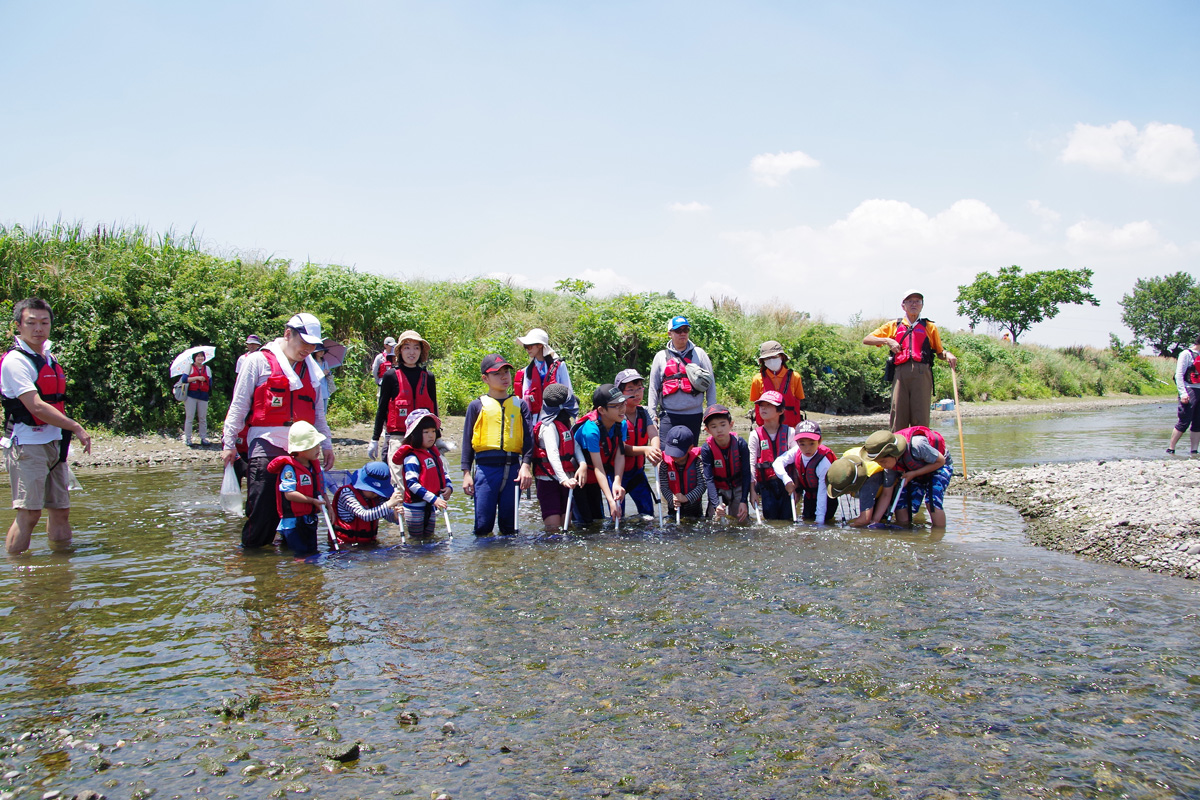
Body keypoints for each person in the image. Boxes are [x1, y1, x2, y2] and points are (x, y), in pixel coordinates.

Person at [221, 313, 335, 550]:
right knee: (263, 509)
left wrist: (326, 445)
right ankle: (254, 559)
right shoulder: (258, 362)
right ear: (287, 334)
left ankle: (298, 564)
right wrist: (228, 443)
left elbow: (318, 412)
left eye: (312, 344)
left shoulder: (311, 370)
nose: (308, 349)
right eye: (303, 342)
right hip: (266, 440)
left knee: (304, 509)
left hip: (303, 446)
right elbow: (239, 404)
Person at [1, 297, 93, 555]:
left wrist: (66, 430)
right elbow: (36, 406)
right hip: (26, 445)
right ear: (18, 325)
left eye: (44, 322)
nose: (38, 328)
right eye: (31, 323)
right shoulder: (15, 361)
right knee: (29, 514)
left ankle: (61, 569)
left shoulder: (48, 356)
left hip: (54, 443)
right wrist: (76, 426)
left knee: (61, 510)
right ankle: (18, 574)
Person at [862, 291, 958, 431]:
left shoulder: (930, 327)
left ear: (922, 305)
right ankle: (898, 447)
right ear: (903, 305)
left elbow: (939, 352)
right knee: (898, 414)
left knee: (921, 415)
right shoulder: (894, 325)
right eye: (910, 301)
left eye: (917, 301)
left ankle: (919, 447)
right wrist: (887, 340)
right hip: (901, 373)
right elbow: (867, 339)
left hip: (922, 373)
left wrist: (947, 354)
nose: (914, 304)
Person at [460, 354, 533, 536]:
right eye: (497, 373)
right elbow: (467, 442)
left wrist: (525, 466)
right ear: (485, 378)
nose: (504, 377)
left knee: (509, 527)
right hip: (485, 470)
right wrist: (466, 473)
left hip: (513, 470)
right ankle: (485, 561)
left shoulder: (520, 405)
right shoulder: (476, 406)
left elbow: (529, 440)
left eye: (506, 372)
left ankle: (507, 561)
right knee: (483, 526)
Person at [863, 426, 953, 528]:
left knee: (932, 502)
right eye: (877, 462)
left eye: (883, 461)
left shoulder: (917, 445)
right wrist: (875, 521)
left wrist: (914, 474)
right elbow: (886, 494)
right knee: (900, 502)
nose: (881, 465)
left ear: (894, 454)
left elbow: (941, 461)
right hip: (913, 469)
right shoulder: (889, 466)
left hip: (938, 466)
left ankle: (938, 535)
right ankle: (905, 530)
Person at [370, 330, 437, 466]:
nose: (411, 352)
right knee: (399, 484)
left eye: (416, 348)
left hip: (423, 438)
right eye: (407, 348)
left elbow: (433, 408)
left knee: (426, 481)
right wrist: (375, 439)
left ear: (421, 352)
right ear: (400, 351)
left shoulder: (428, 377)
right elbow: (382, 409)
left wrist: (438, 438)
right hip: (398, 438)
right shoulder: (390, 376)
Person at [647, 316, 717, 440]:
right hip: (669, 415)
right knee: (666, 454)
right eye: (678, 331)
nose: (683, 334)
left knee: (690, 453)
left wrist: (711, 413)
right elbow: (653, 388)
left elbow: (710, 385)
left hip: (694, 415)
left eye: (686, 330)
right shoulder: (660, 356)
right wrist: (652, 417)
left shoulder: (699, 354)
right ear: (670, 333)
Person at [267, 420, 327, 556]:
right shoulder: (289, 469)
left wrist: (329, 508)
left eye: (318, 445)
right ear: (300, 450)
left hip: (309, 518)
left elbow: (321, 491)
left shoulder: (315, 468)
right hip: (293, 522)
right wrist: (312, 501)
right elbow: (289, 494)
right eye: (313, 446)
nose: (318, 449)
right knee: (299, 555)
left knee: (312, 553)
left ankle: (309, 575)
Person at [571, 384, 628, 525]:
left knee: (598, 520)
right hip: (579, 478)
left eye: (623, 403)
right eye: (616, 405)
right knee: (583, 524)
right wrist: (610, 499)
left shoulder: (622, 423)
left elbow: (620, 454)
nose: (622, 408)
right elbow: (598, 467)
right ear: (601, 410)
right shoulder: (591, 430)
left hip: (595, 479)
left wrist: (617, 482)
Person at [392, 409, 453, 538]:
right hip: (415, 505)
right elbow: (412, 484)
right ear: (415, 435)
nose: (431, 436)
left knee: (429, 537)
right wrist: (433, 498)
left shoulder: (433, 453)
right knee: (417, 541)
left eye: (433, 431)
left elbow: (442, 473)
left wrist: (448, 487)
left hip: (431, 504)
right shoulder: (412, 457)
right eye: (426, 432)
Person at [532, 384, 580, 532]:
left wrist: (582, 464)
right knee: (553, 527)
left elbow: (576, 447)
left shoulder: (565, 424)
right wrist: (563, 479)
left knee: (567, 524)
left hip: (567, 480)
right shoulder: (548, 427)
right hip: (549, 482)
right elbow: (552, 454)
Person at [616, 368, 661, 518]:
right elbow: (621, 448)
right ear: (620, 393)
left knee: (648, 512)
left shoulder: (644, 412)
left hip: (637, 473)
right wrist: (645, 450)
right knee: (617, 514)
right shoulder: (617, 415)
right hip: (618, 475)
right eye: (630, 389)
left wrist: (654, 450)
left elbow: (653, 434)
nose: (636, 393)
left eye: (639, 389)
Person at [773, 420, 836, 523]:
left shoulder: (823, 463)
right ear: (797, 443)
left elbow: (822, 493)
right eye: (802, 444)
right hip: (809, 497)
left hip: (826, 499)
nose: (807, 449)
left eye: (812, 444)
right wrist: (786, 480)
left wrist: (819, 521)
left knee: (824, 522)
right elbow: (777, 463)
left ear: (819, 442)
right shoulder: (796, 451)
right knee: (806, 521)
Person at [699, 405, 751, 522]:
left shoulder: (740, 444)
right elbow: (709, 479)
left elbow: (746, 473)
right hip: (718, 489)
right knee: (714, 521)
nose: (719, 430)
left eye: (723, 425)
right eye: (714, 426)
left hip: (737, 487)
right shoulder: (707, 449)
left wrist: (743, 500)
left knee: (741, 520)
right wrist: (716, 503)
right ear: (707, 430)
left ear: (731, 425)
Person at [331, 461, 402, 546]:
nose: (376, 494)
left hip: (368, 544)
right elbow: (365, 515)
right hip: (345, 546)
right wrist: (389, 503)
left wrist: (394, 516)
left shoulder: (376, 496)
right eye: (374, 491)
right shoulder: (347, 494)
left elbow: (385, 514)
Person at [749, 391, 793, 521]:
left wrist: (796, 490)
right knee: (770, 518)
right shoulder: (755, 435)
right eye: (761, 405)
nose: (763, 408)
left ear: (780, 411)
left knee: (787, 519)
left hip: (786, 485)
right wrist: (752, 492)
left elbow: (796, 463)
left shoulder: (790, 432)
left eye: (768, 405)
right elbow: (751, 464)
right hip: (766, 485)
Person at [826, 447, 896, 527]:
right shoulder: (842, 466)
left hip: (888, 481)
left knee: (877, 520)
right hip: (873, 477)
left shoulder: (866, 482)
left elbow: (865, 519)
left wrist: (848, 527)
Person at [516, 328, 572, 417]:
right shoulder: (528, 370)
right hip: (535, 417)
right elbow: (524, 395)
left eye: (530, 346)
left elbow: (568, 391)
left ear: (540, 345)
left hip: (556, 415)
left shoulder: (559, 365)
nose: (527, 350)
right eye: (525, 347)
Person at [749, 341, 804, 427]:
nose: (771, 360)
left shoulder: (795, 377)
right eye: (767, 358)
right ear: (763, 361)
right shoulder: (757, 379)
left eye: (774, 356)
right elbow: (756, 405)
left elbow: (799, 400)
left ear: (781, 357)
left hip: (790, 429)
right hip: (766, 430)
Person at [659, 425, 704, 519]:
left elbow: (702, 485)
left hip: (695, 512)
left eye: (678, 453)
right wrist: (672, 499)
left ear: (690, 448)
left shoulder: (697, 463)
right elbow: (664, 487)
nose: (674, 456)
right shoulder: (665, 465)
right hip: (674, 510)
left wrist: (686, 498)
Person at [1168, 334, 1200, 455]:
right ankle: (1171, 448)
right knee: (1184, 421)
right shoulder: (1186, 354)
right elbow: (1179, 375)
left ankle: (1194, 450)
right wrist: (1183, 393)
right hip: (1189, 389)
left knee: (1198, 422)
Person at [182, 350, 213, 446]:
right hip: (191, 395)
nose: (200, 358)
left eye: (202, 356)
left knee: (202, 418)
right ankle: (188, 439)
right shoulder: (189, 367)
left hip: (203, 396)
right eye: (198, 356)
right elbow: (184, 379)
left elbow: (210, 382)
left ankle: (203, 438)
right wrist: (197, 378)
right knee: (190, 417)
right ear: (194, 358)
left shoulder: (207, 368)